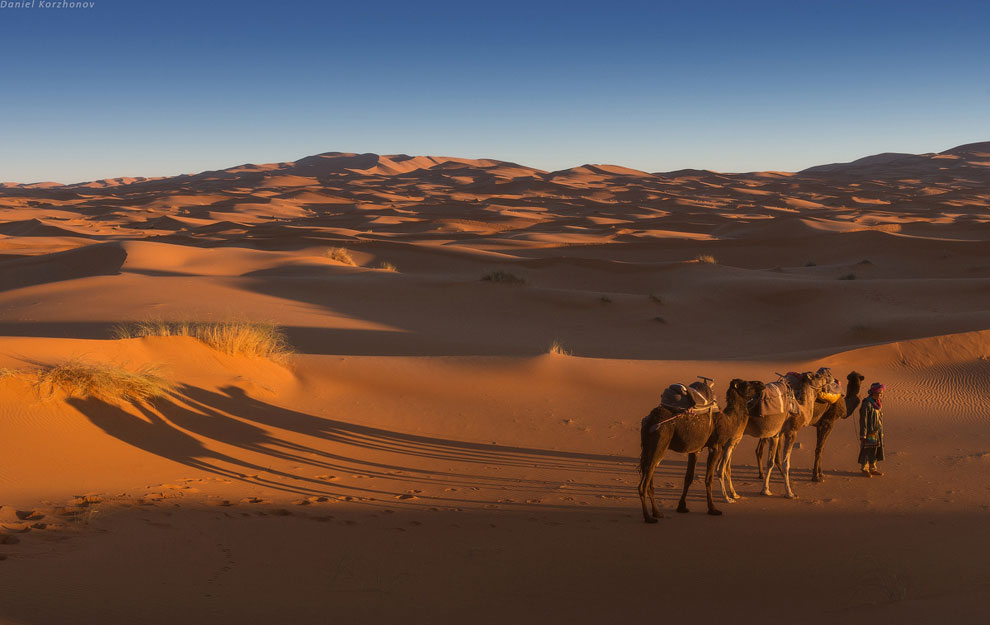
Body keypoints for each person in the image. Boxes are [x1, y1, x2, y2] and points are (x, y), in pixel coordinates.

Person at [858, 382, 885, 477]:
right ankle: (864, 469)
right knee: (867, 449)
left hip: (877, 432)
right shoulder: (867, 403)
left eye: (881, 393)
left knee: (875, 449)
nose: (880, 395)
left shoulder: (877, 404)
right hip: (869, 432)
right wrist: (863, 434)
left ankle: (873, 468)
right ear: (873, 392)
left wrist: (881, 432)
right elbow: (863, 420)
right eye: (879, 393)